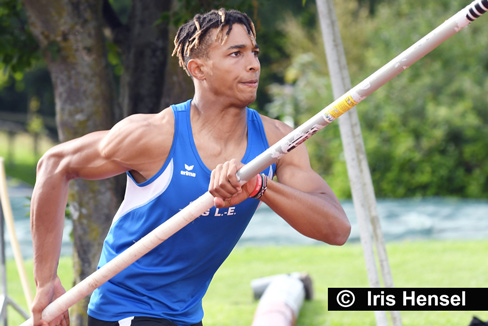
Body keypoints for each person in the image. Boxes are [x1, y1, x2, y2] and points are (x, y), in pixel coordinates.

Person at [30, 8, 351, 326]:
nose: (254, 64)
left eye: (254, 52)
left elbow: (337, 229)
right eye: (236, 54)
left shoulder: (276, 142)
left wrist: (260, 187)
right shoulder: (155, 136)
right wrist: (46, 283)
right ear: (198, 68)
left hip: (184, 316)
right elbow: (55, 164)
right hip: (128, 310)